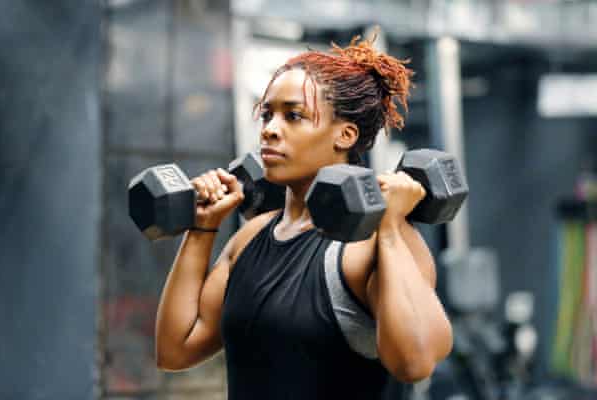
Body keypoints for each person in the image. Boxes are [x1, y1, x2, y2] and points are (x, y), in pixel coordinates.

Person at [155, 33, 453, 400]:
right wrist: (202, 228)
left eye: (293, 116)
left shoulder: (372, 242)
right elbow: (176, 349)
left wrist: (390, 226)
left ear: (344, 135)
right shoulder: (251, 237)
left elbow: (415, 363)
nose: (269, 129)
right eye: (267, 114)